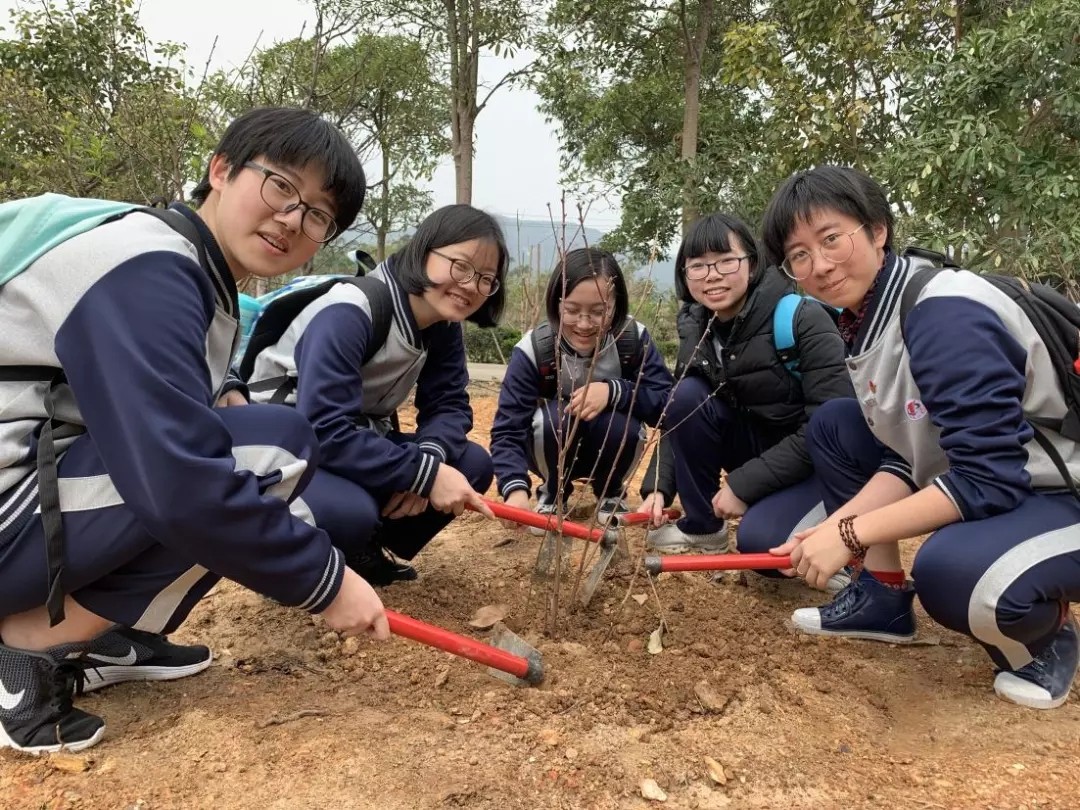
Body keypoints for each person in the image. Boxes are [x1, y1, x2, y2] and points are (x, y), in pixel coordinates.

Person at [0, 106, 389, 755]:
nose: (293, 218)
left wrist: (224, 393)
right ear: (219, 170)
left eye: (319, 213)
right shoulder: (147, 265)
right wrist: (323, 578)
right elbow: (178, 479)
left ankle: (99, 628)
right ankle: (28, 650)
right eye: (281, 186)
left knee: (247, 439)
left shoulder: (181, 264)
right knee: (262, 455)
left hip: (22, 487)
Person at [762, 165, 1080, 709]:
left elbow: (985, 479)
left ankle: (1044, 640)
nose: (820, 265)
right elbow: (906, 455)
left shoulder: (942, 313)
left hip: (1060, 486)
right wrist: (842, 524)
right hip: (1012, 476)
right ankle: (881, 598)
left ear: (877, 230)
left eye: (832, 238)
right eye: (799, 255)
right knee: (839, 425)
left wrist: (849, 534)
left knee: (953, 573)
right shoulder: (864, 316)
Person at [244, 205, 504, 583]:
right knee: (350, 511)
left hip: (344, 437)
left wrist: (429, 459)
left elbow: (449, 404)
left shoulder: (443, 324)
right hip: (281, 441)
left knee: (472, 463)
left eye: (486, 278)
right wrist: (423, 475)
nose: (470, 285)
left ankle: (362, 551)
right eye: (460, 266)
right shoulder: (350, 311)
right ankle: (290, 565)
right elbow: (323, 428)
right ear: (424, 251)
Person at [637, 212, 853, 588]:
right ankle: (703, 526)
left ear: (752, 264)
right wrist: (658, 486)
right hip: (756, 451)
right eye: (698, 266)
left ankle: (835, 543)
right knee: (687, 394)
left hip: (817, 464)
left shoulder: (800, 318)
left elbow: (829, 430)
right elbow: (679, 417)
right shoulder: (697, 327)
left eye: (725, 261)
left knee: (762, 547)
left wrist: (743, 485)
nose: (712, 275)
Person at [491, 248, 673, 527]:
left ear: (616, 305)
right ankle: (552, 493)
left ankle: (611, 492)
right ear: (556, 303)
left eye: (599, 311)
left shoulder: (633, 340)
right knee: (553, 419)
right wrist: (514, 488)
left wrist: (615, 391)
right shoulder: (534, 349)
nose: (585, 324)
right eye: (572, 310)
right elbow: (508, 428)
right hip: (552, 446)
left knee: (621, 424)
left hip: (610, 445)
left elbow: (667, 405)